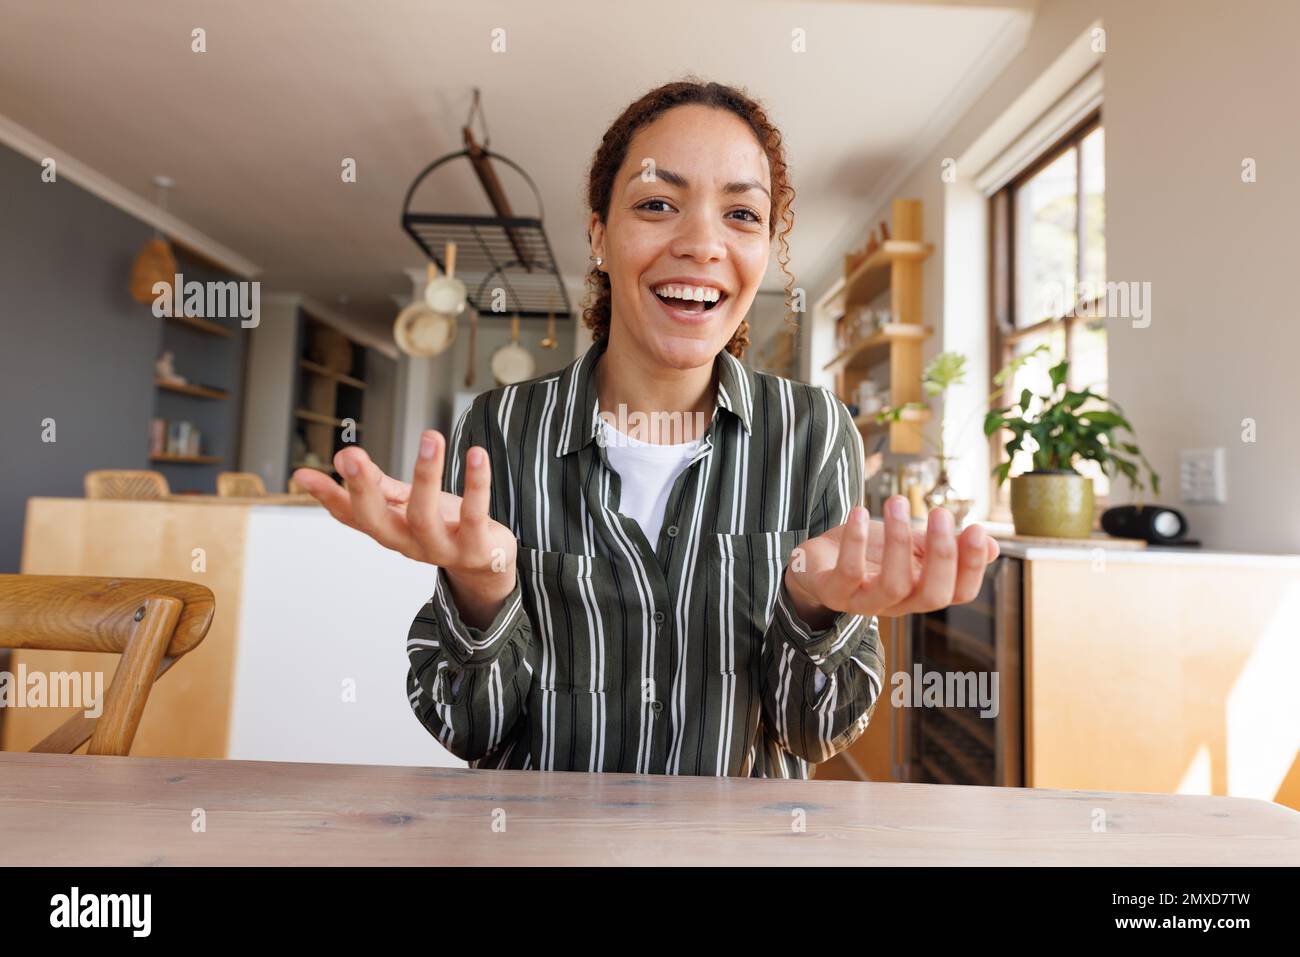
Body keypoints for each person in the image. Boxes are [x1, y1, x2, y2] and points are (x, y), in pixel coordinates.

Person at [294, 78, 999, 778]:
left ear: (766, 248)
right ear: (600, 234)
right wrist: (485, 587)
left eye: (742, 215)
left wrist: (812, 606)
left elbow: (812, 734)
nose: (701, 244)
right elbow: (468, 728)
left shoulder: (815, 432)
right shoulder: (500, 427)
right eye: (658, 204)